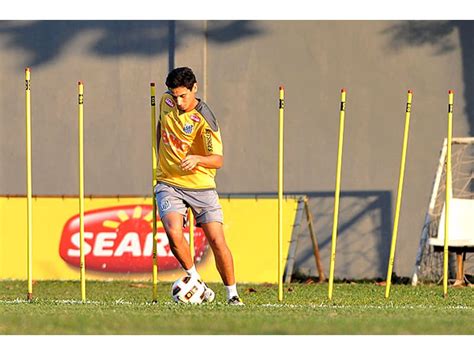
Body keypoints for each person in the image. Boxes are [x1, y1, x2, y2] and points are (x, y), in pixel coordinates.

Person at [154, 67, 243, 305]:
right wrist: (160, 157)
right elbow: (161, 127)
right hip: (168, 182)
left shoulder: (205, 119)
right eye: (174, 96)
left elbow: (218, 160)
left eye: (183, 95)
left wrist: (197, 159)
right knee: (174, 233)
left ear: (195, 88)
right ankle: (196, 281)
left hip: (201, 186)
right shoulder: (165, 101)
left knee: (216, 240)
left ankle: (232, 295)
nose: (178, 101)